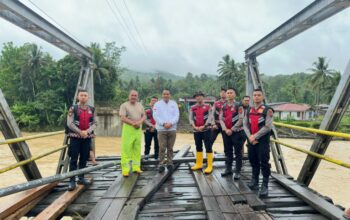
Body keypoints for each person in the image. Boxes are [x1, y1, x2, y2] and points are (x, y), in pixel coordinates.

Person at [243, 88, 274, 197]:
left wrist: (255, 136)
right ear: (252, 97)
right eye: (255, 95)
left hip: (263, 141)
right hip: (251, 140)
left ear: (262, 97)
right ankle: (254, 181)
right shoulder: (248, 110)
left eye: (259, 95)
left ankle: (264, 185)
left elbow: (267, 126)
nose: (256, 97)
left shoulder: (268, 110)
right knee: (253, 160)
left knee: (264, 162)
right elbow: (245, 125)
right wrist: (250, 137)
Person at [66, 89, 96, 191]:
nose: (83, 97)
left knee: (83, 158)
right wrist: (80, 132)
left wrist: (87, 132)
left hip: (86, 138)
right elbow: (70, 123)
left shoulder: (92, 109)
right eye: (81, 95)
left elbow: (95, 123)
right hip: (75, 138)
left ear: (88, 97)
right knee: (73, 159)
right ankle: (72, 181)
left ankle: (81, 178)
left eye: (85, 95)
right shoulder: (73, 108)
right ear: (78, 97)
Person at [219, 88, 245, 179]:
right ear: (226, 94)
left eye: (231, 93)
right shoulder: (223, 106)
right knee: (227, 151)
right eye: (228, 93)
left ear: (235, 94)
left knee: (238, 152)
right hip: (226, 132)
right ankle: (228, 169)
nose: (229, 94)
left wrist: (232, 129)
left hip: (237, 132)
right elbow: (221, 119)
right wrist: (225, 129)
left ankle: (237, 171)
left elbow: (241, 119)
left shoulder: (239, 105)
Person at [119, 90, 146, 177]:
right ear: (129, 96)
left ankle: (136, 167)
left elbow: (144, 116)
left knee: (137, 149)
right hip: (128, 128)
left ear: (137, 97)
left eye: (135, 95)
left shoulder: (140, 105)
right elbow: (122, 118)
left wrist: (139, 122)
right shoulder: (124, 105)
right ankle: (125, 170)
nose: (134, 97)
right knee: (126, 149)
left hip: (138, 129)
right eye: (132, 95)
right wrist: (133, 123)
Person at [153, 89, 179, 173]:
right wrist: (163, 124)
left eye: (167, 94)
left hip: (172, 129)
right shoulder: (157, 104)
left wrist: (171, 123)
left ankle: (170, 163)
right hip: (161, 129)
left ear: (170, 95)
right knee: (162, 147)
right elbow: (155, 116)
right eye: (164, 94)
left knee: (170, 147)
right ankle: (161, 164)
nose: (166, 95)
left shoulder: (174, 103)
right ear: (162, 95)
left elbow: (177, 115)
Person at [189, 92, 213, 174]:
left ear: (203, 97)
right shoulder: (193, 107)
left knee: (208, 147)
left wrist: (204, 125)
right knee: (198, 146)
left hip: (206, 130)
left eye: (200, 96)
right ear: (195, 98)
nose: (198, 98)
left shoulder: (208, 106)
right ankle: (199, 164)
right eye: (197, 97)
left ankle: (209, 166)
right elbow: (191, 118)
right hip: (196, 130)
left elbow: (210, 117)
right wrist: (194, 126)